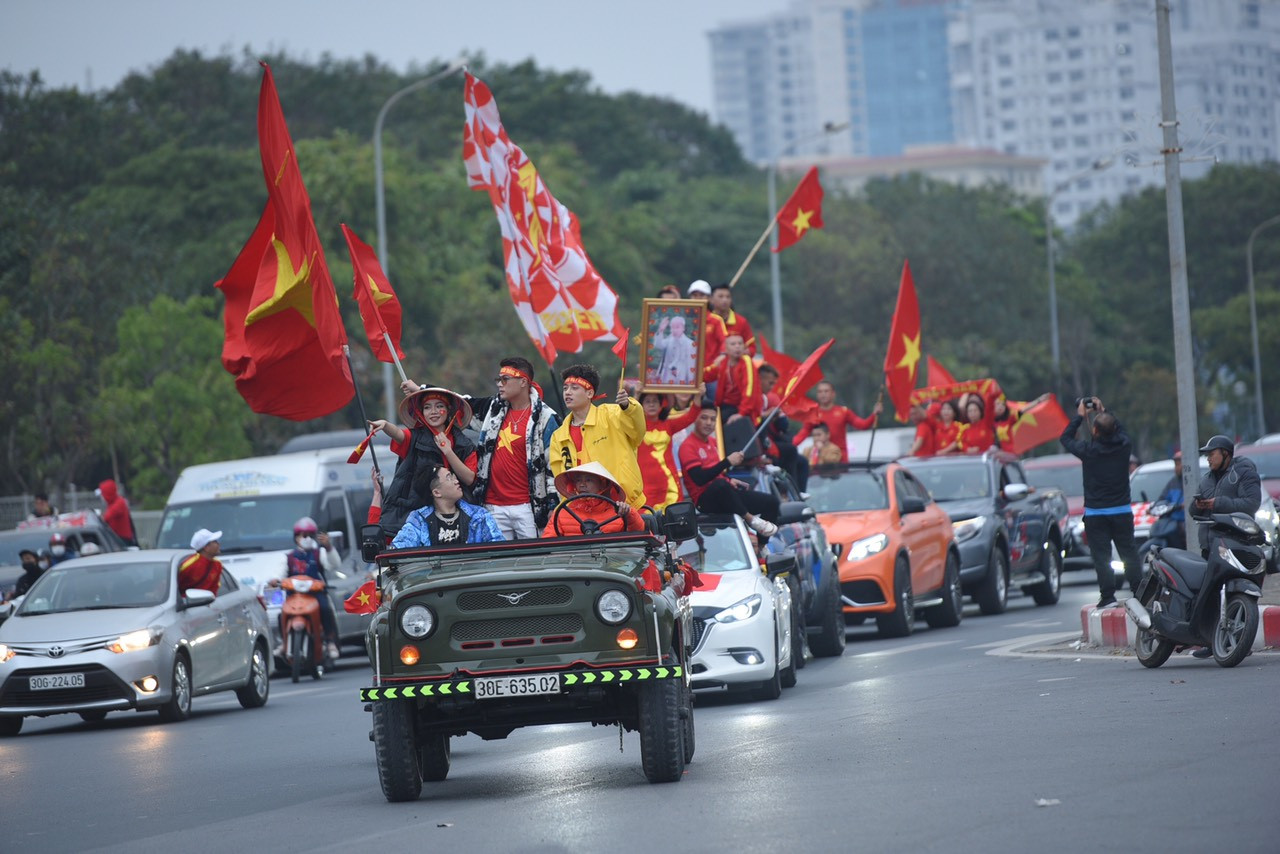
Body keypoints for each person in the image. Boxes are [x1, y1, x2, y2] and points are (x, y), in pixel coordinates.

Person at [453, 357, 561, 539]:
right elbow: (461, 406)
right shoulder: (493, 410)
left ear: (523, 382)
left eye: (505, 379)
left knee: (533, 562)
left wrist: (552, 506)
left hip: (529, 508)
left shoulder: (546, 417)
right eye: (499, 380)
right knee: (496, 563)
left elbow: (554, 467)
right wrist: (423, 390)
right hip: (492, 506)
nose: (500, 384)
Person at [1059, 397, 1140, 608]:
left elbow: (1065, 438)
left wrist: (1079, 416)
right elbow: (1118, 429)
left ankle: (1108, 597)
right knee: (1129, 552)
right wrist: (1104, 410)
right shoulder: (1124, 446)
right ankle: (1140, 592)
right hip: (1122, 511)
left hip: (1096, 514)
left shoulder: (1089, 451)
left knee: (1102, 557)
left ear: (1094, 431)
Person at [368, 386, 478, 538]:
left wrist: (448, 451)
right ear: (421, 413)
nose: (433, 411)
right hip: (418, 514)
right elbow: (399, 435)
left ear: (449, 410)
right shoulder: (415, 438)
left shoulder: (464, 444)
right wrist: (386, 426)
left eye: (439, 406)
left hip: (455, 515)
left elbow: (469, 478)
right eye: (427, 407)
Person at [549, 363, 647, 509]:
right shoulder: (559, 436)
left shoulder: (612, 414)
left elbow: (637, 431)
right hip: (584, 511)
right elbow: (562, 478)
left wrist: (628, 406)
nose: (567, 393)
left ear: (590, 393)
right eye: (565, 388)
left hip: (625, 505)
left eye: (574, 388)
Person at [679, 408, 780, 538]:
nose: (709, 423)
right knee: (720, 485)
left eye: (712, 419)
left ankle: (761, 547)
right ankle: (750, 519)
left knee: (771, 502)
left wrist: (729, 479)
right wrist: (727, 462)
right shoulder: (687, 446)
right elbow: (699, 478)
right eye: (704, 418)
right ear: (694, 419)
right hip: (705, 500)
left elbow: (716, 471)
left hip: (724, 492)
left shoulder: (713, 442)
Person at [391, 464, 505, 548]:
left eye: (453, 476)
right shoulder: (419, 520)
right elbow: (398, 549)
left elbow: (499, 547)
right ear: (436, 493)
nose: (456, 481)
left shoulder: (479, 516)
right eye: (449, 478)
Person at [283, 516, 342, 660]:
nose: (307, 538)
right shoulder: (289, 557)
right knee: (282, 613)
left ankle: (329, 641)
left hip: (316, 595)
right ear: (296, 538)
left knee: (325, 609)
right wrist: (274, 581)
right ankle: (283, 644)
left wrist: (328, 547)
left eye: (311, 535)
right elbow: (279, 575)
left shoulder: (319, 553)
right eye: (304, 535)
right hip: (294, 596)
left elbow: (334, 564)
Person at [1193, 435, 1261, 555]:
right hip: (1209, 548)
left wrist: (1218, 503)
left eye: (1211, 454)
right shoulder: (1206, 479)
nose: (1208, 459)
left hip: (1235, 545)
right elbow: (1192, 511)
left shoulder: (1244, 473)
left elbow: (1252, 503)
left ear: (1225, 453)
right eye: (1207, 455)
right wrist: (1198, 505)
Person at [638, 387, 703, 509]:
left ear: (661, 405)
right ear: (640, 405)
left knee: (673, 519)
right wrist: (636, 394)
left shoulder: (669, 425)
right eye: (647, 401)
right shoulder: (634, 427)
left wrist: (698, 395)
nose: (651, 404)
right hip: (644, 485)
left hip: (669, 483)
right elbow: (626, 416)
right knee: (646, 521)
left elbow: (691, 416)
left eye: (655, 401)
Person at [542, 462, 646, 536]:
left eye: (588, 480)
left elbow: (641, 535)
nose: (582, 484)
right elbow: (547, 544)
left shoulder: (620, 512)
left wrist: (629, 514)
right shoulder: (562, 513)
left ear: (602, 485)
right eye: (578, 480)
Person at [793, 381, 883, 463]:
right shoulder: (812, 414)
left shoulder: (844, 412)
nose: (823, 394)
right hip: (821, 461)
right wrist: (788, 447)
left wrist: (874, 414)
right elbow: (802, 435)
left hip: (841, 460)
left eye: (826, 391)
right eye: (820, 392)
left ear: (833, 394)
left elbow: (863, 425)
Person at [757, 363, 808, 491]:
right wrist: (766, 415)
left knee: (801, 461)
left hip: (770, 439)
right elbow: (752, 418)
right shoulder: (758, 396)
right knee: (790, 451)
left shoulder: (765, 397)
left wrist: (778, 416)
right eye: (770, 383)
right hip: (760, 442)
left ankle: (797, 492)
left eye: (774, 384)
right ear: (760, 379)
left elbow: (783, 426)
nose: (772, 387)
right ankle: (790, 490)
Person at [703, 332, 761, 424]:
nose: (737, 346)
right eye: (733, 344)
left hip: (740, 407)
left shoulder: (746, 361)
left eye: (740, 343)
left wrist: (741, 413)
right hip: (724, 405)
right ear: (726, 349)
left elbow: (749, 390)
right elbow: (707, 374)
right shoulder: (723, 362)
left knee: (716, 421)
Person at [707, 283, 756, 357]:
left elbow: (751, 348)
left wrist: (739, 352)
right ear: (711, 299)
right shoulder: (706, 320)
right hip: (711, 366)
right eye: (720, 296)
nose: (725, 300)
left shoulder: (741, 321)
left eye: (728, 297)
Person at [650, 314, 697, 385]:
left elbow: (691, 365)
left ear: (683, 328)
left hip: (682, 378)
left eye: (677, 327)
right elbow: (658, 345)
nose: (674, 330)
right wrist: (661, 330)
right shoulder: (669, 341)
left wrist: (691, 383)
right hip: (667, 377)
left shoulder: (690, 344)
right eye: (672, 327)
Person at [179, 528, 224, 595]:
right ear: (206, 547)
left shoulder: (218, 564)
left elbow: (214, 590)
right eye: (215, 541)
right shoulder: (189, 565)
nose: (218, 544)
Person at [96, 479, 137, 546]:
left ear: (108, 494)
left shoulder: (119, 503)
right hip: (117, 539)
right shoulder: (112, 503)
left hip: (123, 541)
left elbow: (106, 518)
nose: (101, 497)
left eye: (103, 494)